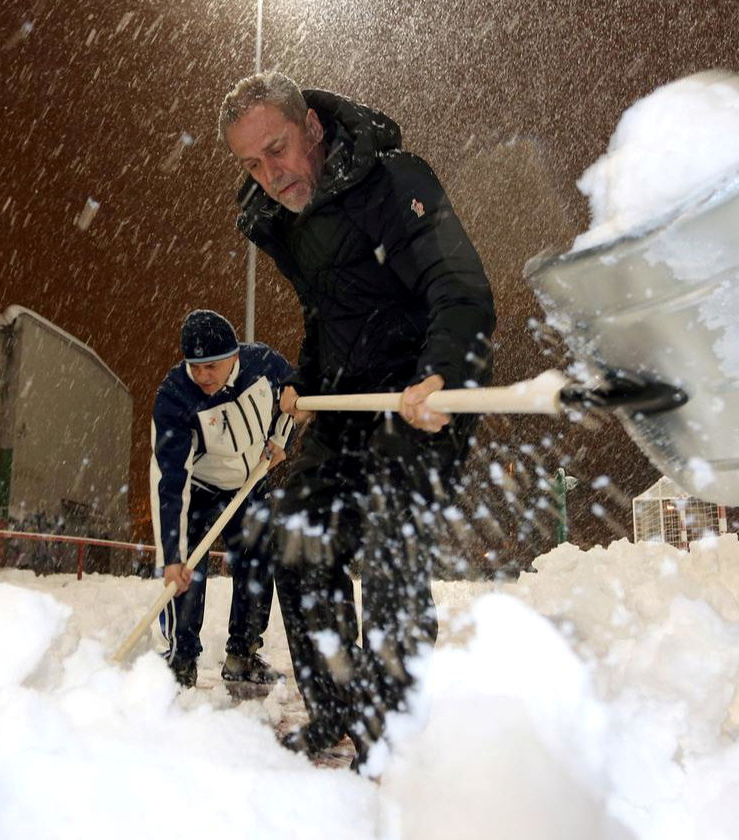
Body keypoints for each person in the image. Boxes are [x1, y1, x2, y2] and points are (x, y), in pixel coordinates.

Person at [218, 72, 497, 767]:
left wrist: (442, 374)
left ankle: (395, 734)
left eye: (277, 148)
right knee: (295, 536)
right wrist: (306, 385)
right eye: (252, 163)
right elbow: (329, 311)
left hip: (422, 389)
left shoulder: (395, 178)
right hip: (347, 401)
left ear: (311, 125)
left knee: (391, 541)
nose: (271, 173)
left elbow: (458, 286)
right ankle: (336, 715)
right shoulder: (285, 220)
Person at [150, 309, 296, 689]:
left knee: (257, 562)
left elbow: (294, 396)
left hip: (249, 480)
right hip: (197, 488)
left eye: (212, 366)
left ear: (234, 355)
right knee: (186, 574)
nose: (203, 376)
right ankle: (182, 660)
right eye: (195, 367)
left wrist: (281, 438)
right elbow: (172, 482)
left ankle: (242, 654)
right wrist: (173, 555)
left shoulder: (263, 364)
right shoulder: (174, 398)